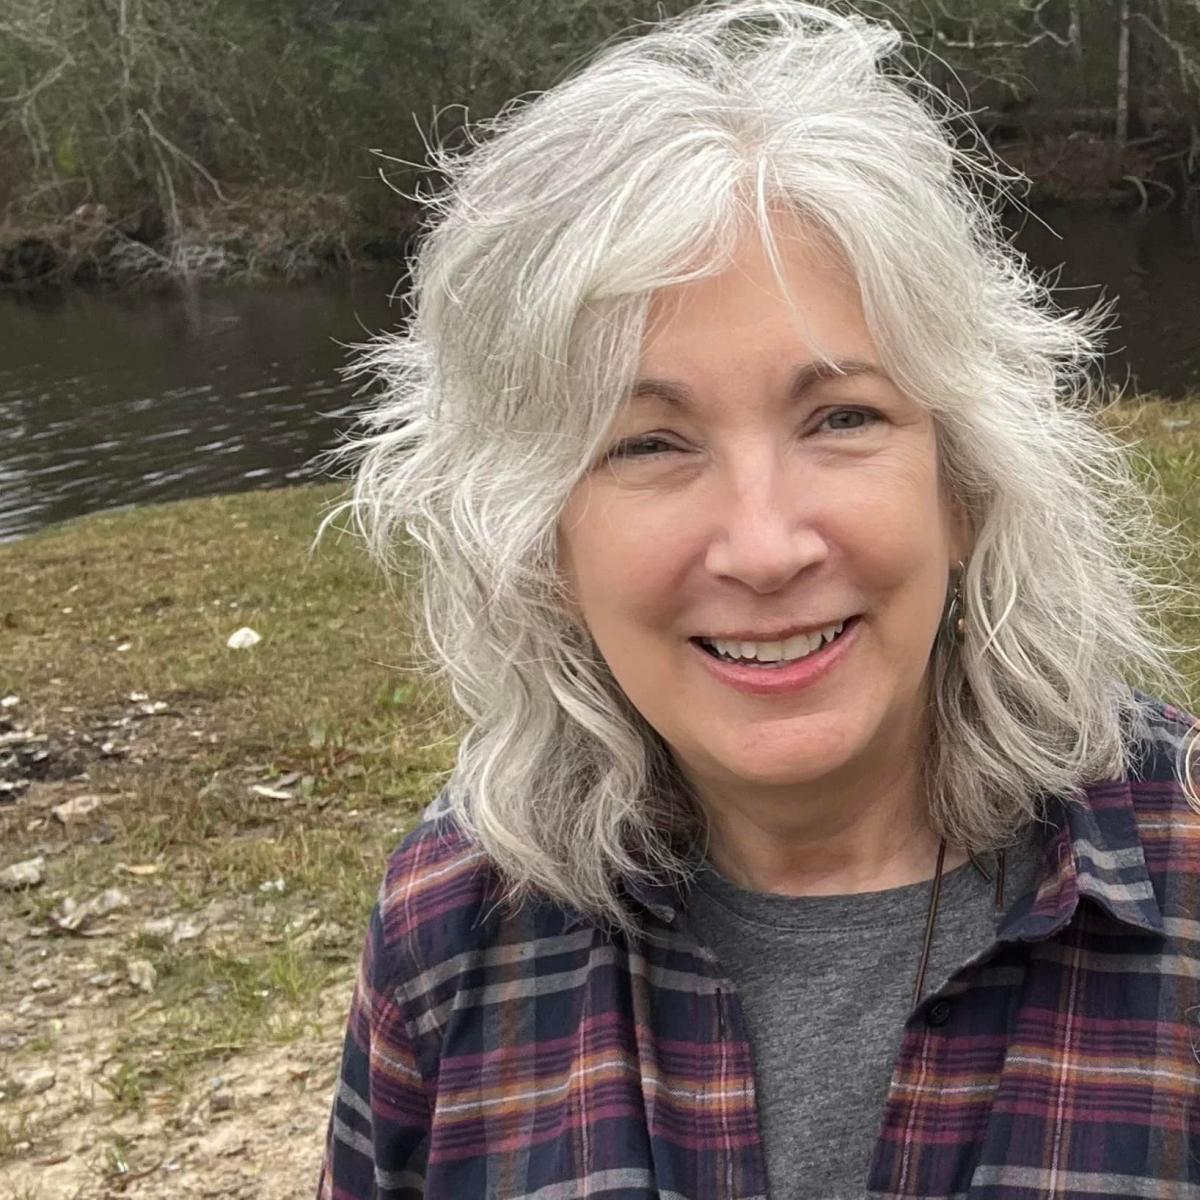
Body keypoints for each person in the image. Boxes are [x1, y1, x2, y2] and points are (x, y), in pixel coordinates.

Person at [316, 3, 1200, 1197]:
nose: (766, 545)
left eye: (844, 418)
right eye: (646, 444)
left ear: (966, 485)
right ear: (539, 539)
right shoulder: (454, 928)